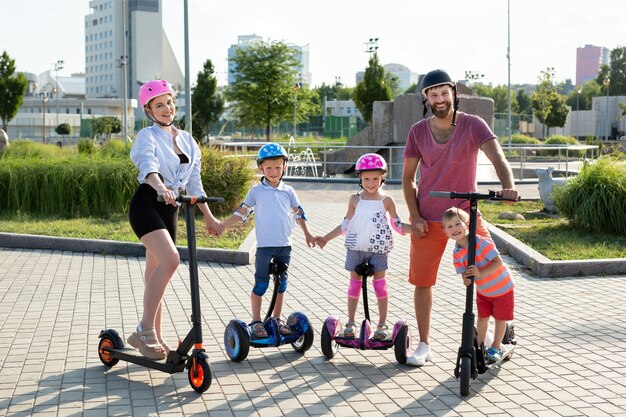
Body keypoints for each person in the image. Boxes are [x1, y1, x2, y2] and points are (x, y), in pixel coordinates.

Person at [402, 69, 519, 366]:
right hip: (428, 217)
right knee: (423, 282)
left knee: (492, 270)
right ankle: (424, 344)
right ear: (425, 98)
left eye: (444, 93)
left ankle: (502, 327)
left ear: (454, 93)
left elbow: (497, 158)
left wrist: (509, 186)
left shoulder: (473, 125)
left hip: (466, 215)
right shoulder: (417, 131)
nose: (439, 99)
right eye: (433, 94)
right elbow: (408, 180)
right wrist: (414, 215)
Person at [127, 79, 223, 359]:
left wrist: (209, 217)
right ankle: (144, 330)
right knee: (171, 260)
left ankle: (153, 337)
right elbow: (148, 166)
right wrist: (160, 187)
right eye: (159, 105)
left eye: (169, 102)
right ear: (149, 111)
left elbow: (195, 183)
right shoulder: (148, 137)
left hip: (171, 208)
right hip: (148, 203)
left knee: (156, 273)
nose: (167, 108)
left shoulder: (188, 141)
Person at [219, 143, 316, 338]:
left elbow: (299, 213)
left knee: (281, 285)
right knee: (261, 285)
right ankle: (256, 321)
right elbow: (242, 211)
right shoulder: (257, 191)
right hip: (264, 247)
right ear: (260, 167)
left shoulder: (288, 191)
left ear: (284, 167)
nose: (273, 171)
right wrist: (223, 225)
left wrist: (308, 234)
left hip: (284, 246)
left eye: (278, 167)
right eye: (269, 167)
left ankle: (276, 319)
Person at [317, 153, 410, 340]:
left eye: (375, 178)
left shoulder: (387, 201)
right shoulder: (355, 200)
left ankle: (382, 325)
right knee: (354, 286)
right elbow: (345, 225)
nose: (371, 182)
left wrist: (414, 229)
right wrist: (326, 238)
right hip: (356, 249)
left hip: (378, 250)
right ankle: (350, 322)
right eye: (366, 178)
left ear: (382, 177)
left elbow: (396, 224)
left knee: (380, 287)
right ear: (359, 177)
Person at [442, 207, 515, 361]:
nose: (455, 229)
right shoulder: (456, 252)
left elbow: (498, 262)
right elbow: (463, 270)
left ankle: (495, 348)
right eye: (450, 227)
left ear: (467, 224)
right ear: (446, 232)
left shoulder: (481, 243)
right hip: (484, 291)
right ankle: (480, 346)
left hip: (502, 288)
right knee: (482, 318)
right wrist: (465, 278)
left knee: (500, 318)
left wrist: (480, 273)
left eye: (457, 224)